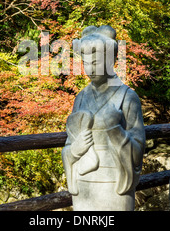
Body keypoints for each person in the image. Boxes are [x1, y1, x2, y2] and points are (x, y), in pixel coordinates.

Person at [62, 25, 145, 211]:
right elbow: (69, 144)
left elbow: (138, 150)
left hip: (115, 182)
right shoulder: (81, 98)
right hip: (84, 182)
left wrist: (115, 131)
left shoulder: (127, 97)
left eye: (96, 63)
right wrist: (74, 150)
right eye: (87, 63)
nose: (91, 69)